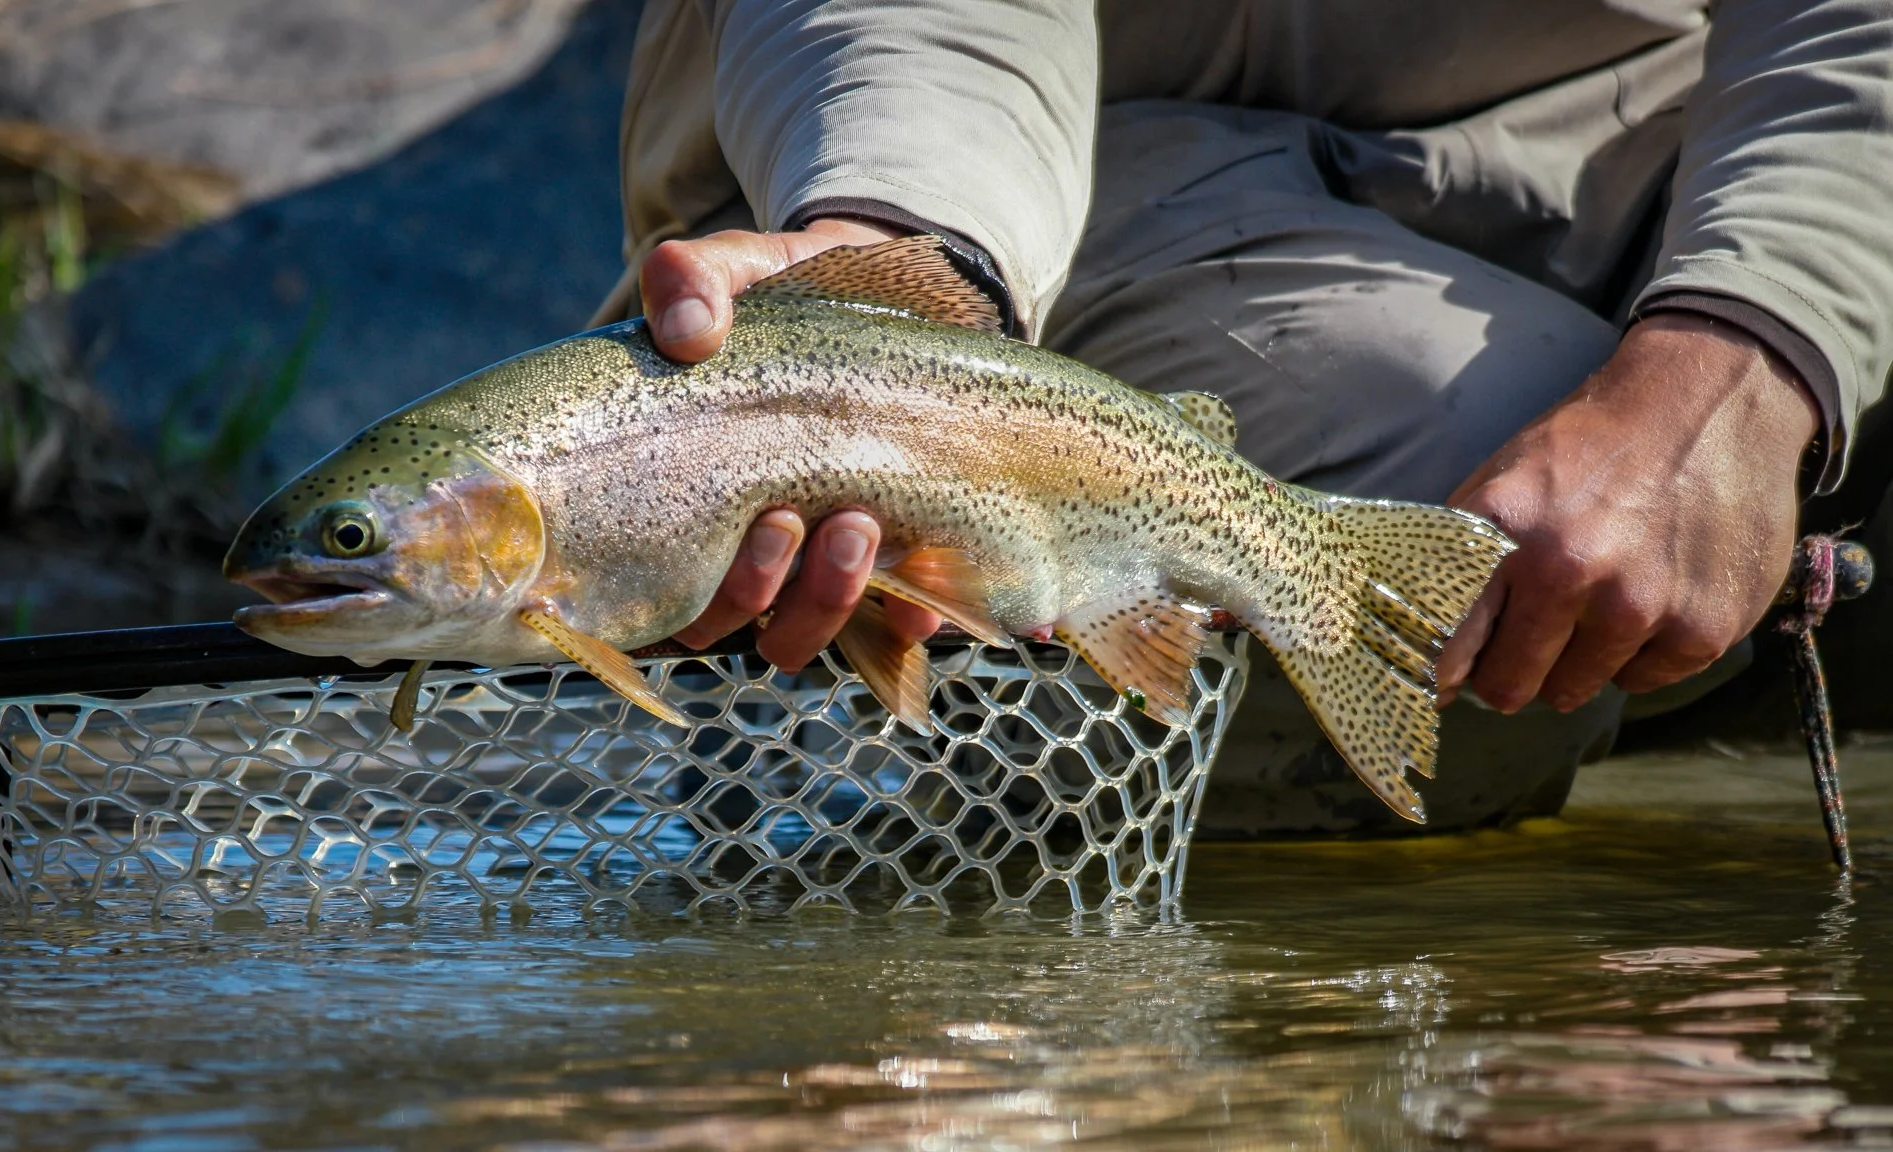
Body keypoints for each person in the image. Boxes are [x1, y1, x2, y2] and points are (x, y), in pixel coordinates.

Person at [590, 0, 1893, 836]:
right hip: (1020, 161)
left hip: (1634, 151)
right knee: (1466, 448)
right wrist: (899, 257)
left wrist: (1748, 352)